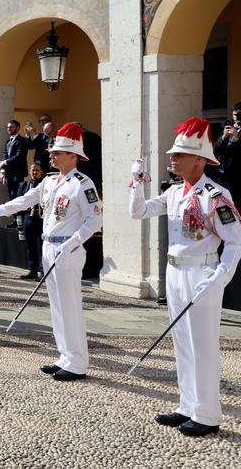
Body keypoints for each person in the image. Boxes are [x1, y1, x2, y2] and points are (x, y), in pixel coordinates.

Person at [128, 117, 240, 437]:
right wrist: (136, 182)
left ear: (199, 159)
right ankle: (187, 404)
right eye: (172, 154)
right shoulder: (175, 192)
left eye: (179, 154)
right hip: (175, 271)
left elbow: (234, 241)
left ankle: (207, 413)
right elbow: (138, 212)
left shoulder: (215, 195)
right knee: (183, 343)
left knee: (202, 344)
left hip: (202, 272)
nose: (172, 158)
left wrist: (219, 277)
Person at [0, 123, 102, 379]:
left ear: (73, 155)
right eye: (52, 151)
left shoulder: (82, 183)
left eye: (57, 152)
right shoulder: (49, 182)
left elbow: (95, 219)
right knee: (57, 305)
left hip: (68, 248)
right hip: (49, 246)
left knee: (70, 305)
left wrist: (75, 241)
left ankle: (77, 362)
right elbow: (24, 201)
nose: (52, 155)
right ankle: (65, 356)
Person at [16, 162, 45, 280]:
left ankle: (43, 272)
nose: (35, 172)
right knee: (30, 246)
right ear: (29, 172)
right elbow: (18, 200)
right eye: (33, 170)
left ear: (41, 172)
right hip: (28, 218)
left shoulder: (45, 185)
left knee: (42, 246)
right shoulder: (24, 185)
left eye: (37, 170)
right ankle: (33, 270)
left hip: (41, 219)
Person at [213, 102, 241, 200]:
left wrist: (237, 139)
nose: (237, 117)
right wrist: (224, 137)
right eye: (234, 115)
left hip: (236, 178)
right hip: (220, 176)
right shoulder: (228, 127)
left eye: (239, 114)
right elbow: (215, 148)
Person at [0, 119, 28, 202]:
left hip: (18, 172)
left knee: (18, 194)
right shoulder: (8, 142)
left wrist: (5, 162)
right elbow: (5, 155)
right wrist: (3, 170)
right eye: (8, 127)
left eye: (11, 127)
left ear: (18, 128)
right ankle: (14, 214)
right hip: (9, 173)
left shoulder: (22, 140)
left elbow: (20, 156)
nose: (9, 129)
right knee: (11, 194)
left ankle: (19, 214)